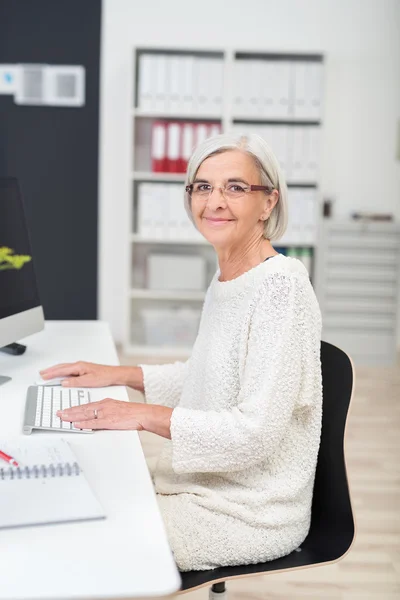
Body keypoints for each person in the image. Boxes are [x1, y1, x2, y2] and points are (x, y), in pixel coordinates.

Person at [40, 133, 323, 572]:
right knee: (78, 496)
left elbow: (255, 433)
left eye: (235, 187)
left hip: (250, 510)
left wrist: (142, 415)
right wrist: (120, 374)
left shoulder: (280, 286)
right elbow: (208, 376)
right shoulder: (230, 273)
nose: (215, 201)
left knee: (87, 541)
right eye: (203, 186)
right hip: (208, 484)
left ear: (268, 203)